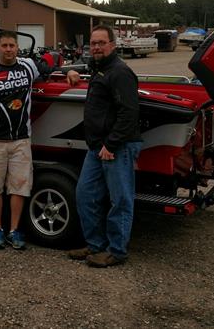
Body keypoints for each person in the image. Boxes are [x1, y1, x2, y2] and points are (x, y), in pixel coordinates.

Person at [66, 24, 142, 267]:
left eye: (101, 43)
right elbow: (85, 66)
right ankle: (95, 245)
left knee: (120, 200)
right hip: (97, 147)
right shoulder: (99, 68)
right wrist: (72, 71)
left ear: (113, 45)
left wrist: (111, 144)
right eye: (93, 43)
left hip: (116, 147)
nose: (96, 47)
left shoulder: (120, 73)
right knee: (85, 195)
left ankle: (116, 252)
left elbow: (129, 113)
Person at [0, 30, 51, 250]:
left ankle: (14, 230)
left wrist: (70, 71)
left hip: (21, 141)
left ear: (17, 47)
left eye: (12, 46)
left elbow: (48, 69)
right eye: (4, 46)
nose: (8, 49)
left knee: (20, 187)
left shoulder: (28, 66)